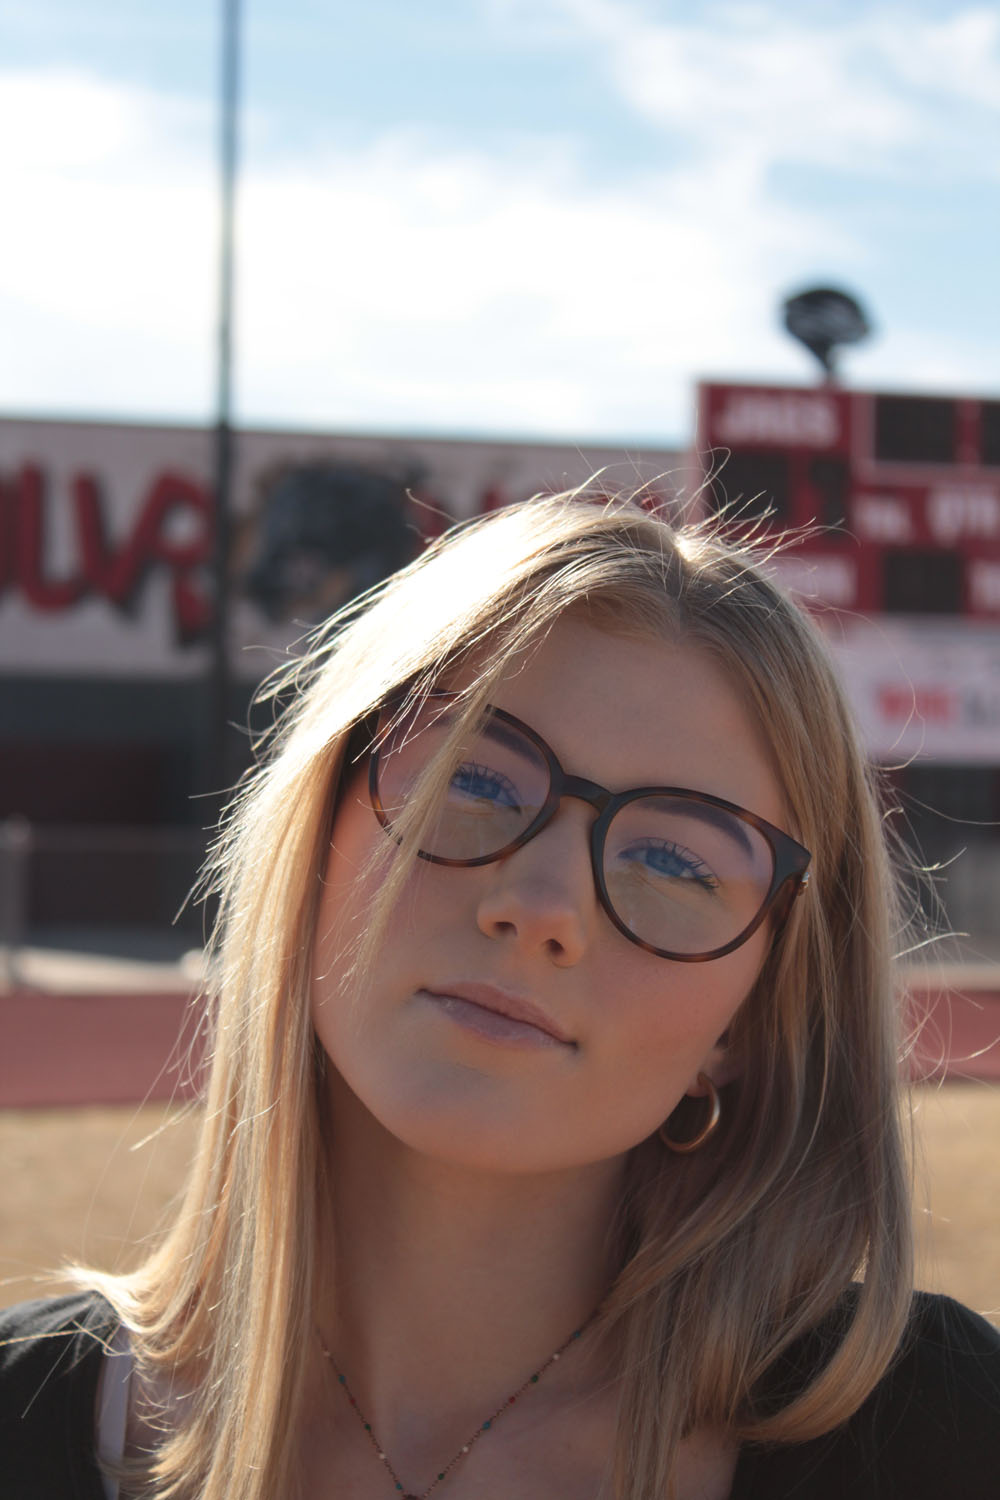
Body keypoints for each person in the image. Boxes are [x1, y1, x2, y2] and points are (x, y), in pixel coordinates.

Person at [3, 493, 999, 1500]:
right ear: (314, 838)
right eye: (473, 783)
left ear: (750, 1017)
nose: (539, 906)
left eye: (671, 858)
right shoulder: (23, 1420)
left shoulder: (940, 1436)